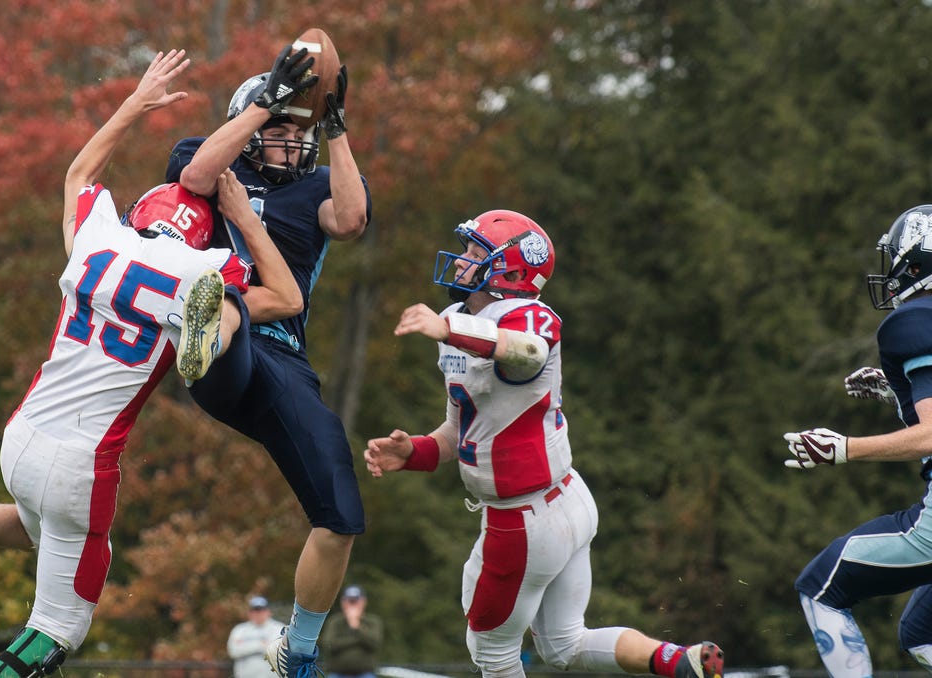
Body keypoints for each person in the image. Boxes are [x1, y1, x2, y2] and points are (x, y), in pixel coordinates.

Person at [0, 49, 302, 678]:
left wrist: (137, 104)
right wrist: (246, 219)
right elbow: (287, 297)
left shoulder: (97, 237)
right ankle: (206, 343)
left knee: (41, 528)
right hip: (84, 464)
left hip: (22, 439)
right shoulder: (199, 268)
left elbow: (79, 170)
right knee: (52, 635)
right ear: (200, 244)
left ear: (140, 214)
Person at [363, 210, 725, 678]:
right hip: (562, 501)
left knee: (491, 651)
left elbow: (526, 351)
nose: (458, 263)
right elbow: (461, 429)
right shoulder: (457, 321)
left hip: (523, 519)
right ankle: (677, 661)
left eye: (474, 254)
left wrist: (448, 330)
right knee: (564, 646)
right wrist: (414, 451)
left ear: (511, 272)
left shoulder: (526, 317)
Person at [164, 41, 371, 678]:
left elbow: (353, 218)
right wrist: (263, 106)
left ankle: (300, 648)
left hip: (282, 355)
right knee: (221, 290)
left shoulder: (315, 185)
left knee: (341, 517)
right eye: (280, 127)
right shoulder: (211, 154)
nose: (291, 140)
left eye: (295, 128)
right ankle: (202, 337)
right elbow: (196, 177)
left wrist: (333, 128)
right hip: (229, 344)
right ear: (251, 119)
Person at [784, 204, 932, 677]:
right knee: (921, 631)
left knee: (820, 587)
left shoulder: (911, 322)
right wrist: (900, 395)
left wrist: (844, 448)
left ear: (915, 264)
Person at [321, 585, 382, 678]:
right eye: (349, 601)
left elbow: (374, 643)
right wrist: (357, 640)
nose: (352, 604)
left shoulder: (372, 621)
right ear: (342, 602)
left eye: (355, 601)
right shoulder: (335, 621)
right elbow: (330, 645)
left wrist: (356, 625)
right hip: (337, 674)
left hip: (365, 674)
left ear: (363, 602)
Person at [228, 596, 287, 678]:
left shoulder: (279, 628)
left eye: (261, 610)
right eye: (255, 610)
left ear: (268, 611)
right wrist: (260, 644)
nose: (258, 613)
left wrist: (246, 645)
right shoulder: (239, 629)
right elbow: (233, 651)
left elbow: (279, 652)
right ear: (249, 613)